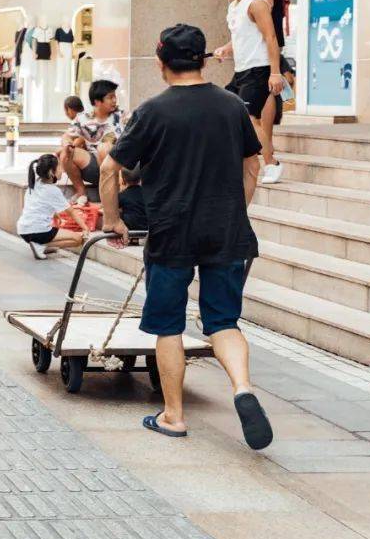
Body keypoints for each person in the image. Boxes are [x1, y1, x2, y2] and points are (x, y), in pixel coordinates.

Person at [99, 23, 272, 450]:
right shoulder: (232, 106)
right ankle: (243, 388)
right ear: (204, 60)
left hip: (171, 233)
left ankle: (174, 416)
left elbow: (108, 168)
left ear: (161, 62)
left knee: (169, 326)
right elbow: (254, 165)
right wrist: (236, 210)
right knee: (223, 321)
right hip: (226, 231)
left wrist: (113, 220)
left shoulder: (153, 111)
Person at [212, 0, 285, 185]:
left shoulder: (257, 3)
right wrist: (226, 48)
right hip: (241, 69)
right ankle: (234, 161)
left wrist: (275, 72)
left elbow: (270, 37)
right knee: (223, 111)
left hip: (259, 69)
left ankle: (271, 164)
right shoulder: (234, 5)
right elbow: (241, 37)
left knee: (250, 118)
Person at [58, 79, 122, 205]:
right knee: (66, 153)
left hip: (116, 167)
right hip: (92, 165)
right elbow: (66, 136)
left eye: (115, 96)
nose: (115, 100)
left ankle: (113, 196)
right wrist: (67, 145)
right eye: (110, 97)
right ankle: (81, 192)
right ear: (97, 102)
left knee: (104, 148)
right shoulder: (83, 118)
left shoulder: (122, 116)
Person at [17, 153, 90, 260]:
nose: (63, 170)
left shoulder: (35, 183)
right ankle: (41, 245)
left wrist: (57, 217)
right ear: (51, 172)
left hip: (23, 229)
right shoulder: (52, 190)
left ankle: (40, 245)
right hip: (39, 231)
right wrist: (85, 228)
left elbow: (41, 205)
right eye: (60, 167)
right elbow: (71, 211)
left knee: (53, 232)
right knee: (78, 239)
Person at [119, 166, 148, 232]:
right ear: (141, 178)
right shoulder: (147, 193)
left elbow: (114, 208)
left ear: (123, 179)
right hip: (147, 227)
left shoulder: (122, 195)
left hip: (130, 228)